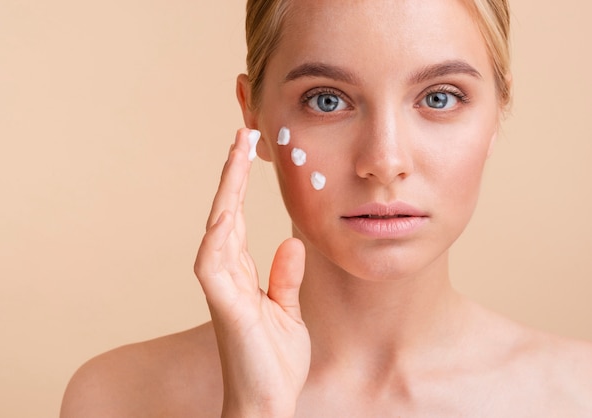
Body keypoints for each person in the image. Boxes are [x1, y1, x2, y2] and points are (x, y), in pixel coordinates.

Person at [60, 0, 592, 416]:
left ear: (497, 112)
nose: (384, 161)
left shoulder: (577, 395)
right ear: (254, 115)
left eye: (439, 97)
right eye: (327, 100)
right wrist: (254, 410)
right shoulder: (117, 398)